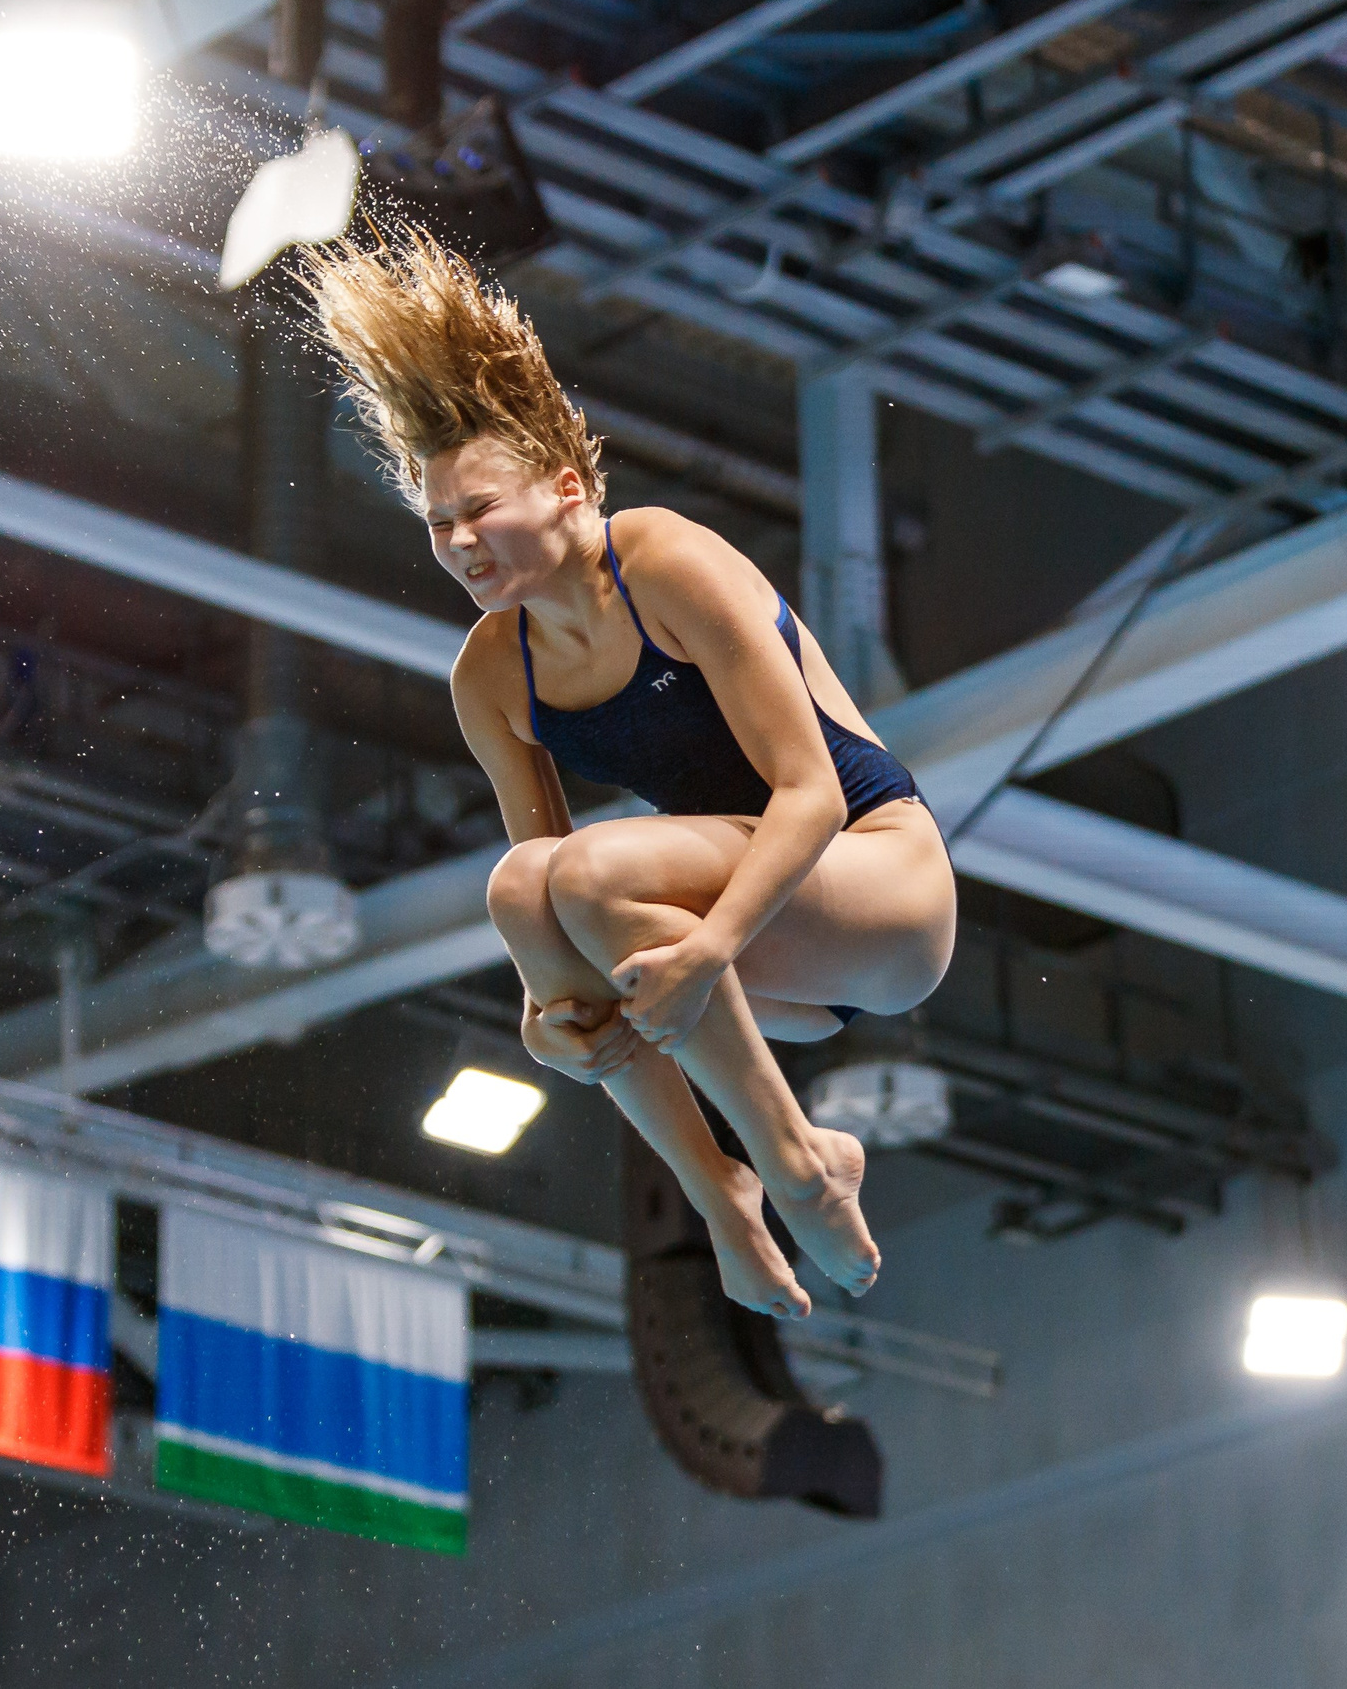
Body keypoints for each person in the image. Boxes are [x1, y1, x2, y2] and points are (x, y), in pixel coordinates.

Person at [300, 230, 956, 1320]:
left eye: (479, 510)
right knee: (522, 885)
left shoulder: (662, 561)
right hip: (753, 977)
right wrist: (544, 1023)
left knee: (591, 873)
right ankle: (725, 1198)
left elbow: (812, 793)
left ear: (566, 490)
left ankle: (796, 1159)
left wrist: (707, 947)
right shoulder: (490, 679)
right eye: (437, 523)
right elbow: (541, 913)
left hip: (875, 887)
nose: (459, 540)